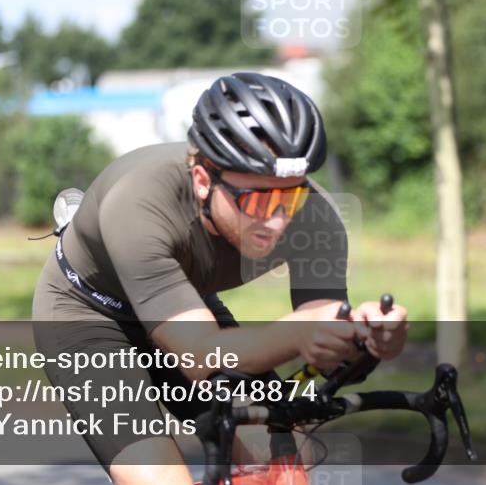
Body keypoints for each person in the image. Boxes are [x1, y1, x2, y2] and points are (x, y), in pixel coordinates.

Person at [32, 71, 408, 485]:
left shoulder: (315, 219)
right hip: (89, 316)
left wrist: (365, 339)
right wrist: (299, 333)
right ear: (202, 181)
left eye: (292, 195)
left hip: (183, 303)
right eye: (258, 200)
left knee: (281, 467)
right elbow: (200, 356)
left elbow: (322, 334)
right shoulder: (139, 203)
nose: (279, 219)